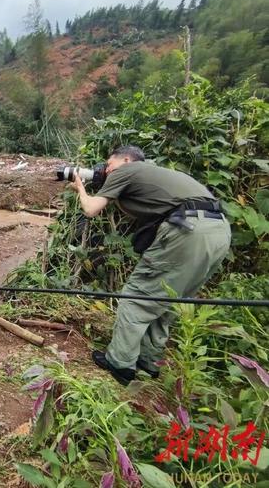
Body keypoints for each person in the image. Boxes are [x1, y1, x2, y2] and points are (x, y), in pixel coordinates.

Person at [70, 145, 231, 385]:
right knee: (170, 299)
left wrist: (80, 188)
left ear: (125, 159)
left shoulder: (129, 169)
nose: (106, 169)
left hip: (189, 230)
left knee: (137, 297)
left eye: (109, 163)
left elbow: (91, 209)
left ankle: (120, 364)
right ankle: (149, 362)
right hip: (219, 231)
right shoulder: (156, 175)